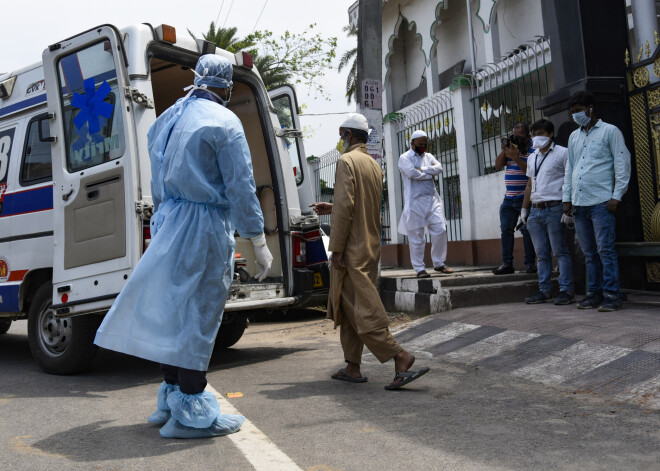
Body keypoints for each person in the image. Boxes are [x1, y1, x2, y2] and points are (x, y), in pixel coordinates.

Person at [94, 55, 273, 438]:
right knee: (198, 316)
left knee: (172, 311)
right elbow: (240, 186)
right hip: (203, 226)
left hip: (168, 221)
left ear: (197, 79)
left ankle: (172, 396)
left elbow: (158, 181)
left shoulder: (168, 118)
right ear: (225, 86)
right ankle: (191, 412)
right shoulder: (225, 122)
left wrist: (162, 221)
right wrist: (256, 237)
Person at [310, 113, 429, 390]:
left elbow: (349, 207)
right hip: (370, 245)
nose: (340, 140)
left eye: (342, 135)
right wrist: (332, 208)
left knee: (361, 307)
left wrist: (336, 248)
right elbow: (361, 204)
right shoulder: (374, 165)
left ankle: (400, 356)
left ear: (348, 135)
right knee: (349, 304)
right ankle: (352, 366)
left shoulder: (346, 161)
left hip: (351, 247)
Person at [563, 91, 631, 311]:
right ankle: (594, 293)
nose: (576, 115)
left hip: (602, 202)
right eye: (572, 112)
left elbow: (622, 163)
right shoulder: (574, 136)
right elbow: (570, 169)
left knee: (605, 250)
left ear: (590, 108)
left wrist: (616, 195)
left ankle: (612, 295)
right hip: (579, 203)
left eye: (578, 111)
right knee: (588, 253)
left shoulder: (610, 131)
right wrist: (567, 198)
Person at [520, 119, 574, 305]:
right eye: (535, 134)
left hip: (555, 207)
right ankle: (544, 290)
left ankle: (566, 290)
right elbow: (529, 184)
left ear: (551, 134)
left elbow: (569, 179)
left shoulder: (563, 153)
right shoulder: (532, 157)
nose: (537, 137)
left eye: (541, 133)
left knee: (560, 251)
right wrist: (524, 209)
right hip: (536, 210)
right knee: (541, 254)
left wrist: (568, 205)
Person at [397, 130, 454, 278]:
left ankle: (439, 263)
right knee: (417, 237)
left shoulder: (428, 156)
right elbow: (411, 174)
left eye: (425, 144)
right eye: (420, 144)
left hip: (432, 200)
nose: (423, 146)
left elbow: (439, 169)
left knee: (440, 230)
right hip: (415, 202)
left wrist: (422, 169)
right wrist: (429, 174)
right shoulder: (404, 158)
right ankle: (419, 269)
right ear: (412, 143)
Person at [493, 122, 537, 275]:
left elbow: (530, 171)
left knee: (526, 230)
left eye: (519, 136)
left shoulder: (532, 149)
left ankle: (530, 264)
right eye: (514, 136)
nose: (516, 139)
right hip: (509, 198)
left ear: (527, 136)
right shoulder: (511, 149)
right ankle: (507, 264)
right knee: (506, 230)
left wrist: (516, 157)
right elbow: (498, 165)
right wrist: (505, 151)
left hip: (525, 197)